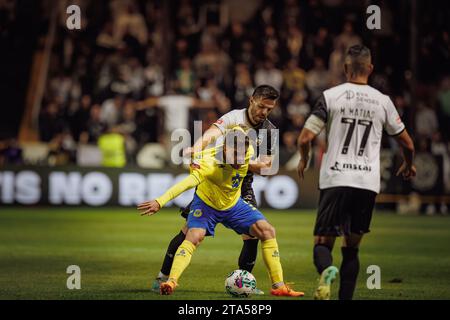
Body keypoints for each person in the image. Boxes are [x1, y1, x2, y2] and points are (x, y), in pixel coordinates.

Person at [297, 44, 416, 300]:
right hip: (367, 182)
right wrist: (408, 163)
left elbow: (305, 137)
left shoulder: (331, 96)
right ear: (370, 69)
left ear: (345, 68)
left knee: (323, 243)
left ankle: (327, 270)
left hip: (336, 178)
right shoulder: (383, 101)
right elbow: (408, 143)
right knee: (351, 250)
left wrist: (304, 160)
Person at [138, 127, 303, 297]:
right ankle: (170, 282)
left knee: (267, 230)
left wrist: (264, 164)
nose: (240, 159)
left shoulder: (246, 148)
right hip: (206, 204)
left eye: (243, 154)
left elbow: (241, 136)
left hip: (233, 204)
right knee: (193, 236)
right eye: (236, 154)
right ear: (225, 148)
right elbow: (186, 183)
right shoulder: (209, 163)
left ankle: (279, 286)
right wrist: (160, 201)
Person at [150, 85, 279, 294]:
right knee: (188, 233)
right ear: (251, 100)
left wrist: (241, 163)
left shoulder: (269, 131)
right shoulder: (233, 117)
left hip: (240, 183)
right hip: (215, 176)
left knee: (253, 234)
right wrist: (197, 148)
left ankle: (243, 284)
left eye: (269, 109)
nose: (264, 112)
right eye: (262, 106)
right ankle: (163, 277)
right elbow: (211, 133)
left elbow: (268, 166)